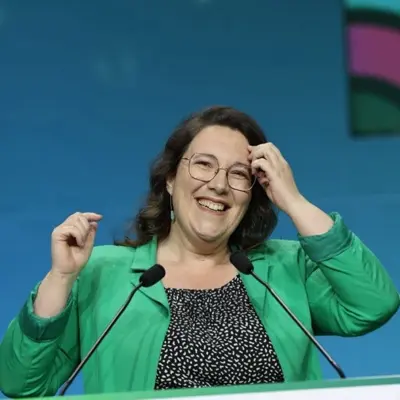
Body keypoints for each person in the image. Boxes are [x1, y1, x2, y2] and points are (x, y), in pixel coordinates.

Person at [0, 106, 398, 398]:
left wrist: (293, 201)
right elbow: (21, 383)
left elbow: (373, 304)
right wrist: (61, 277)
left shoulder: (285, 269)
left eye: (238, 174)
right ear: (170, 179)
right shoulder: (103, 273)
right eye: (203, 165)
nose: (219, 185)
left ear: (255, 191)